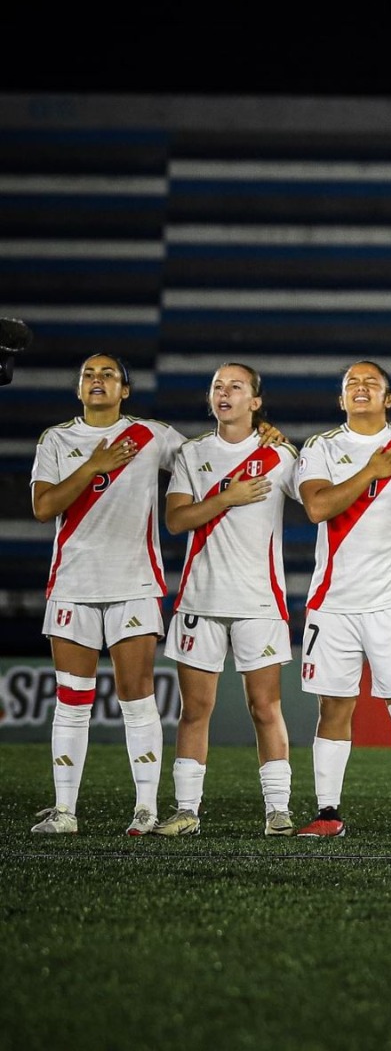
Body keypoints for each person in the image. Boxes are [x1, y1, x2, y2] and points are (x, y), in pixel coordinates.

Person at [29, 353, 185, 834]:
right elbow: (43, 506)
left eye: (108, 374)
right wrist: (93, 464)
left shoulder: (152, 436)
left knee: (137, 699)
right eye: (88, 375)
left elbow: (213, 455)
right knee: (71, 701)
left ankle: (145, 809)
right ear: (78, 390)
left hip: (134, 584)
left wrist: (264, 433)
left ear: (125, 390)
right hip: (73, 584)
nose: (97, 380)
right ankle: (66, 811)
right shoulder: (56, 439)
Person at [293, 361, 391, 838]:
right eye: (351, 384)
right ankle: (328, 813)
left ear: (388, 398)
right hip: (333, 600)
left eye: (371, 383)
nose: (360, 388)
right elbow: (317, 506)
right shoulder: (320, 447)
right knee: (333, 707)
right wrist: (372, 470)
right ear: (341, 400)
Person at [153, 363, 299, 837]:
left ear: (255, 402)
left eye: (236, 386)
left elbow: (318, 501)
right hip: (201, 598)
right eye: (218, 385)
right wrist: (228, 496)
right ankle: (186, 811)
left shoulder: (280, 455)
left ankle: (278, 810)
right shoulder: (192, 454)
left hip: (260, 600)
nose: (225, 392)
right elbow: (177, 520)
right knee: (195, 710)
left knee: (265, 707)